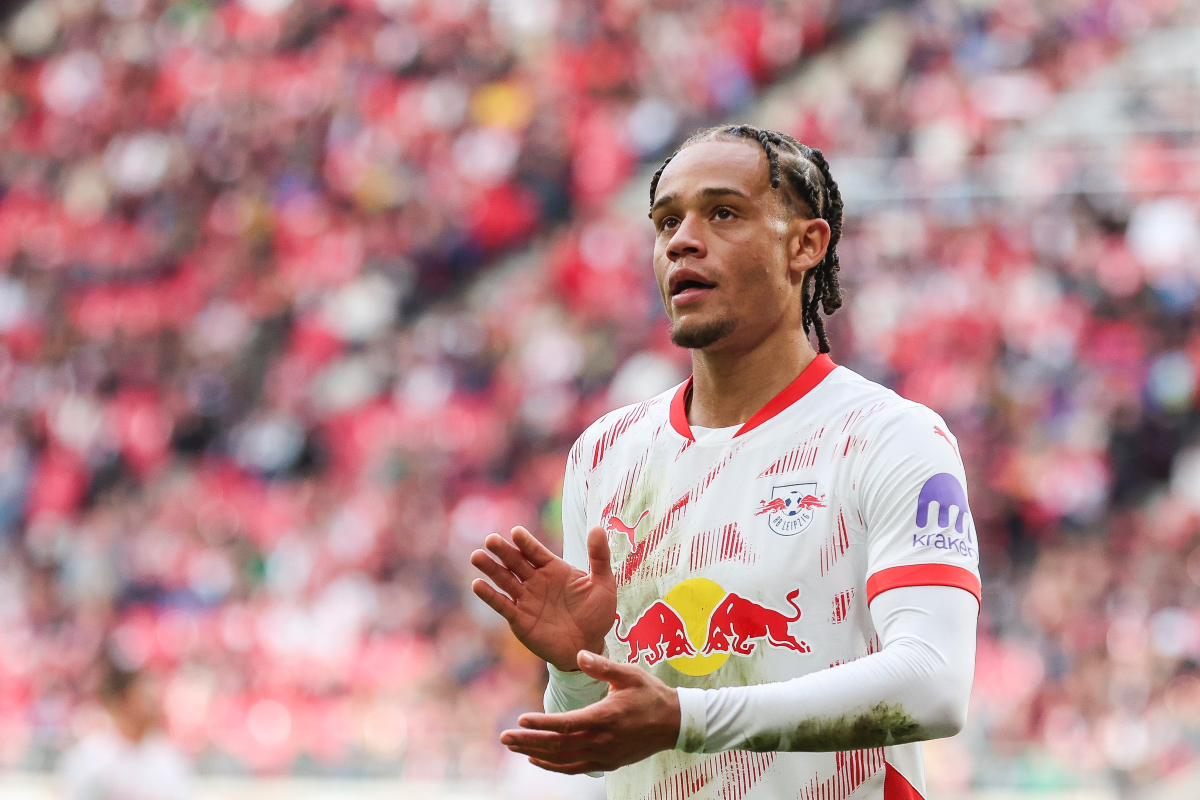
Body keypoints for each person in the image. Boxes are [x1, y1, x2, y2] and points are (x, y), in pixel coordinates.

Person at [470, 125, 980, 799]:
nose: (682, 239)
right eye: (666, 221)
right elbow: (598, 754)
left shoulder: (889, 437)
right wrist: (573, 671)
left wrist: (687, 720)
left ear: (806, 245)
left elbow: (933, 684)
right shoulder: (606, 451)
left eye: (724, 212)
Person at [59, 656, 193, 800]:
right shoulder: (90, 759)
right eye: (145, 693)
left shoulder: (170, 760)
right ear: (121, 698)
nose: (155, 701)